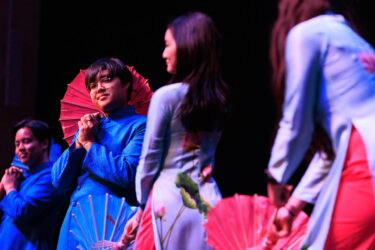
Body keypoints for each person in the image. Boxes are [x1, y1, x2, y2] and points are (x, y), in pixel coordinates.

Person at [266, 0, 375, 249]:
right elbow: (335, 152)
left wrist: (276, 174)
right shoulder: (350, 35)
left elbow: (295, 123)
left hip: (365, 162)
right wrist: (292, 209)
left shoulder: (306, 34)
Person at [118, 12, 231, 250]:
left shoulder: (166, 97)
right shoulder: (220, 100)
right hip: (207, 203)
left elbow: (149, 162)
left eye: (168, 45)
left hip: (167, 201)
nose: (163, 53)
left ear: (188, 47)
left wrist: (141, 207)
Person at [52, 57, 147, 249]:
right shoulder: (90, 127)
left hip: (109, 224)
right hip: (74, 221)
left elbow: (128, 174)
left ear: (126, 83)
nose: (99, 88)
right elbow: (58, 182)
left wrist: (89, 143)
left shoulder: (141, 125)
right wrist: (79, 142)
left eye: (107, 80)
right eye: (93, 85)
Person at [0, 119, 64, 249]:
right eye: (17, 144)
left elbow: (22, 212)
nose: (20, 148)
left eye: (26, 141)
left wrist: (10, 187)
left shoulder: (50, 178)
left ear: (44, 143)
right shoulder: (21, 177)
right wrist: (3, 186)